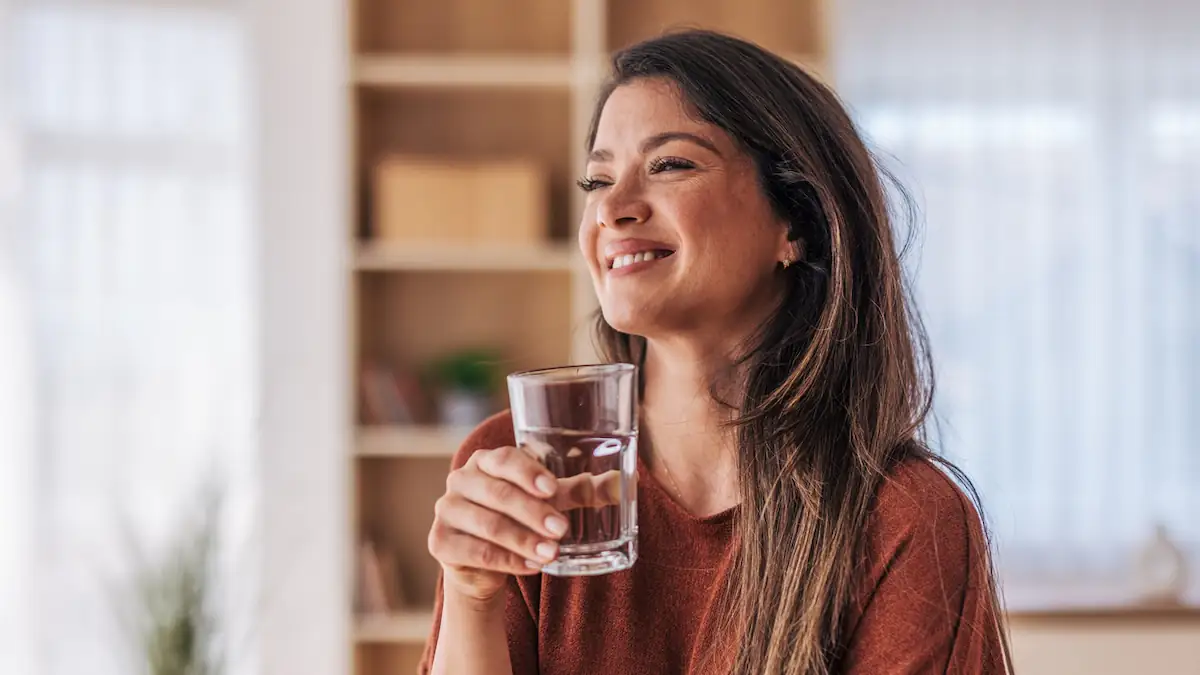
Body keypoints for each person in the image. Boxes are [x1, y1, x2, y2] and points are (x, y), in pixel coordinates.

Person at [420, 29, 1011, 675]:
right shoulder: (514, 465)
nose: (611, 209)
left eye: (671, 165)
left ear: (797, 222)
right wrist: (472, 594)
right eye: (596, 179)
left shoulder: (904, 517)